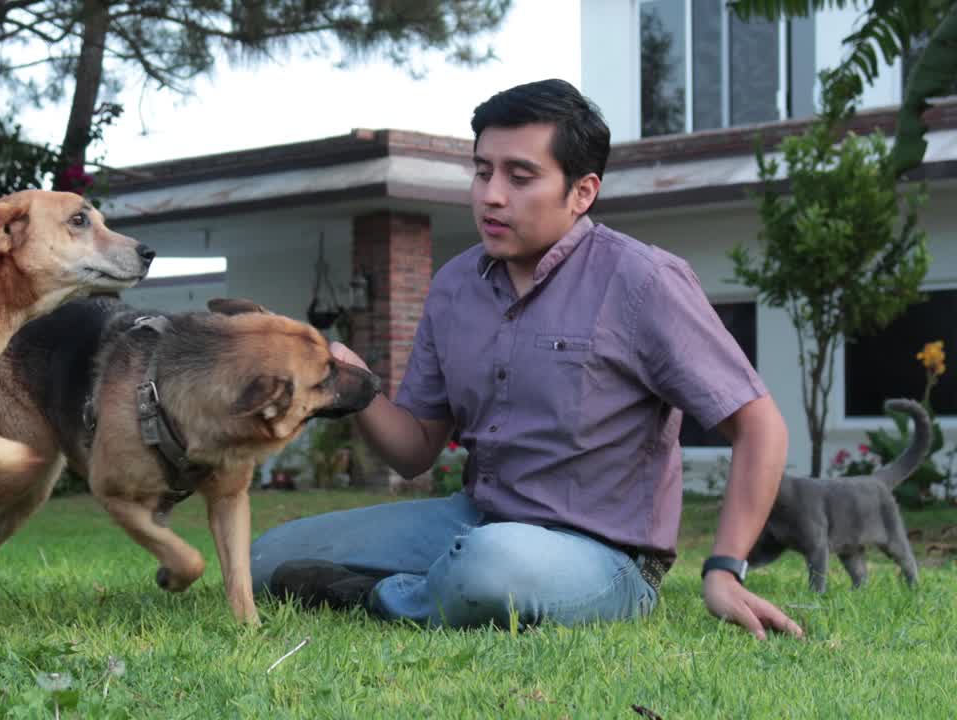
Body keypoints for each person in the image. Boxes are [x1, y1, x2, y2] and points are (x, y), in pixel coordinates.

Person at [250, 79, 804, 640]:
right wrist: (357, 385)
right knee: (267, 558)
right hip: (475, 522)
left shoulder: (643, 282)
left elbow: (760, 426)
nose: (491, 195)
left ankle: (377, 596)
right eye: (482, 171)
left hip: (602, 555)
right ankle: (433, 585)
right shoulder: (453, 287)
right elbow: (415, 450)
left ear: (582, 192)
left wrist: (725, 568)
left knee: (492, 564)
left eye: (520, 177)